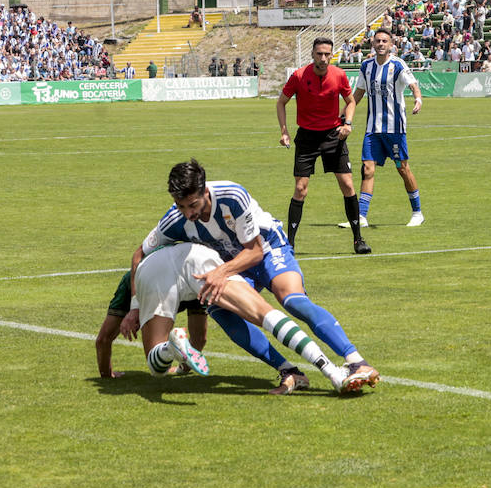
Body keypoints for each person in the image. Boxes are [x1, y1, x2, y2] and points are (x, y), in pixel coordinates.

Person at [134, 159, 380, 393]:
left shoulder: (231, 195)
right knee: (221, 310)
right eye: (181, 206)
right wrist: (135, 307)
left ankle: (356, 361)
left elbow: (255, 252)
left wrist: (220, 272)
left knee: (292, 300)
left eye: (193, 205)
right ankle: (289, 371)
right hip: (233, 263)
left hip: (266, 247)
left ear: (205, 192)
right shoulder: (174, 220)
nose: (188, 213)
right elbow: (139, 256)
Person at [129, 242, 354, 392]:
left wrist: (133, 307)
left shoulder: (140, 274)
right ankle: (333, 373)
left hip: (157, 271)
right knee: (265, 314)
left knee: (155, 366)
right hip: (199, 258)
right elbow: (199, 337)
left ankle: (169, 347)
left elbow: (106, 334)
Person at [276, 37, 370, 254]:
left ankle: (358, 240)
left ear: (332, 54)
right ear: (312, 54)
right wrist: (284, 130)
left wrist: (347, 123)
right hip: (307, 138)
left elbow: (351, 101)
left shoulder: (339, 75)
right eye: (319, 54)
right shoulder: (299, 76)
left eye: (327, 54)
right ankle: (290, 245)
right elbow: (281, 102)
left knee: (347, 185)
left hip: (333, 136)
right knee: (300, 189)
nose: (323, 58)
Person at [341, 28, 425, 229]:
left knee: (402, 169)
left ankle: (417, 212)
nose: (380, 44)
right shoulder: (366, 66)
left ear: (391, 44)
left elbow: (413, 84)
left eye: (384, 41)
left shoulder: (397, 64)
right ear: (373, 43)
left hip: (394, 129)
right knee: (367, 169)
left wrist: (418, 99)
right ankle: (361, 216)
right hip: (373, 129)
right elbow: (359, 94)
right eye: (377, 40)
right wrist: (342, 115)